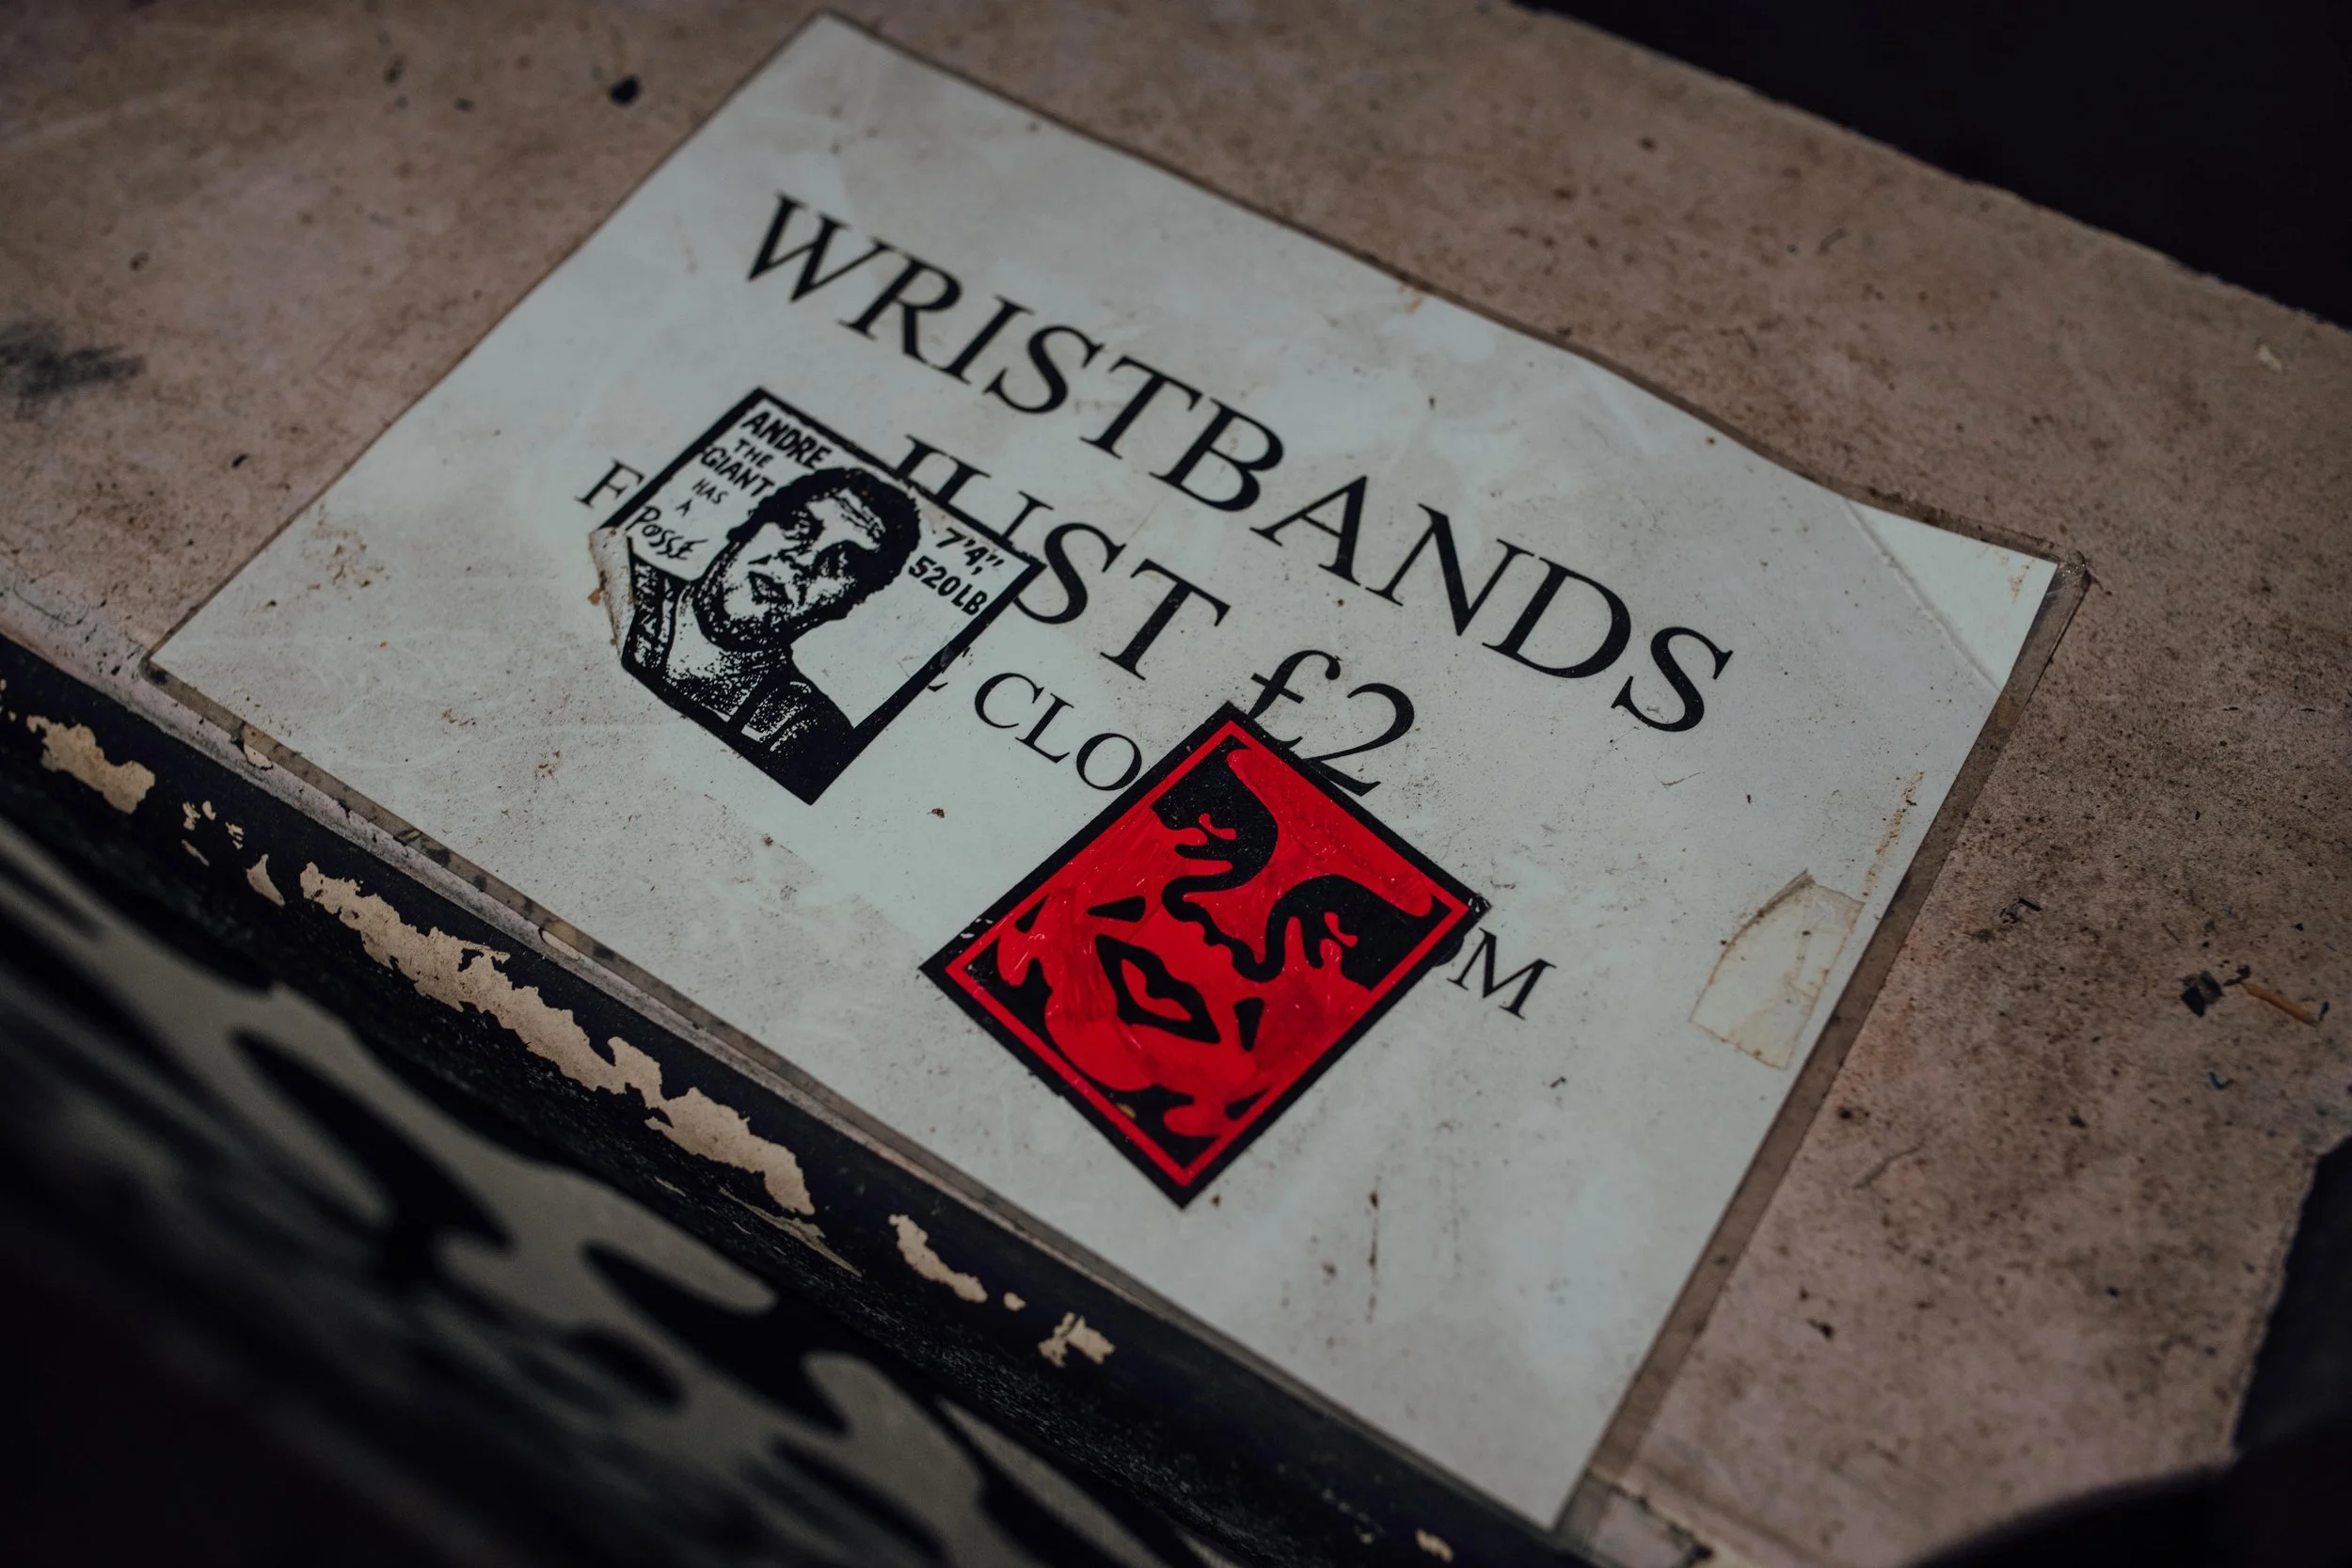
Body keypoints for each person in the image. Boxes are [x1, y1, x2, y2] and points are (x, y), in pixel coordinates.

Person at [619, 466, 919, 801]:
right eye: (796, 526)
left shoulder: (808, 731)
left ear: (847, 603)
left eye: (840, 564)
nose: (800, 561)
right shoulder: (621, 585)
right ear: (749, 523)